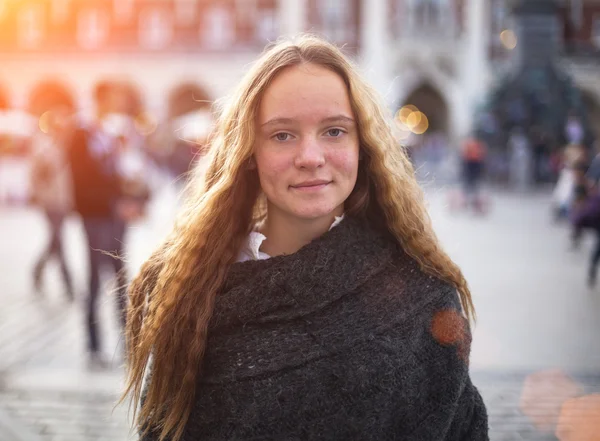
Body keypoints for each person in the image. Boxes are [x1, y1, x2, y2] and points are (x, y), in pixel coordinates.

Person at [122, 35, 488, 441]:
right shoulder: (190, 291)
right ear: (249, 152)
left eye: (334, 131)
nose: (311, 157)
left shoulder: (423, 293)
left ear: (362, 146)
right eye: (282, 135)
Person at [66, 81, 128, 368]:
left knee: (121, 277)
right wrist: (109, 198)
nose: (117, 102)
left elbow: (115, 173)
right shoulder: (81, 133)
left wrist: (126, 195)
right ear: (101, 98)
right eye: (113, 97)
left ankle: (128, 341)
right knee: (93, 278)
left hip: (115, 215)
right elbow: (80, 178)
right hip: (94, 215)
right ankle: (93, 346)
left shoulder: (108, 132)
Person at [30, 104, 75, 300]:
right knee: (58, 240)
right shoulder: (44, 146)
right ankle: (68, 282)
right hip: (50, 200)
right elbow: (38, 173)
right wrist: (40, 193)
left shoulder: (61, 146)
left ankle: (38, 269)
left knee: (55, 240)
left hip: (62, 200)